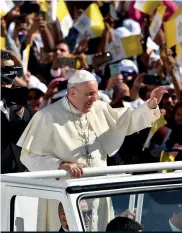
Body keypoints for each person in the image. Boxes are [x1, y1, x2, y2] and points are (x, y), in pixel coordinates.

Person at [17, 69, 166, 230]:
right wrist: (59, 165)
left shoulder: (99, 108)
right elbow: (28, 155)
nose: (94, 98)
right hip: (64, 195)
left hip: (95, 192)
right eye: (90, 94)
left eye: (95, 93)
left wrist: (150, 106)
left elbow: (126, 122)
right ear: (73, 92)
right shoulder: (47, 116)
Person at [1, 50, 34, 173]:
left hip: (18, 169)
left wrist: (20, 112)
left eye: (10, 70)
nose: (6, 74)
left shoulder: (19, 97)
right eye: (3, 69)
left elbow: (33, 127)